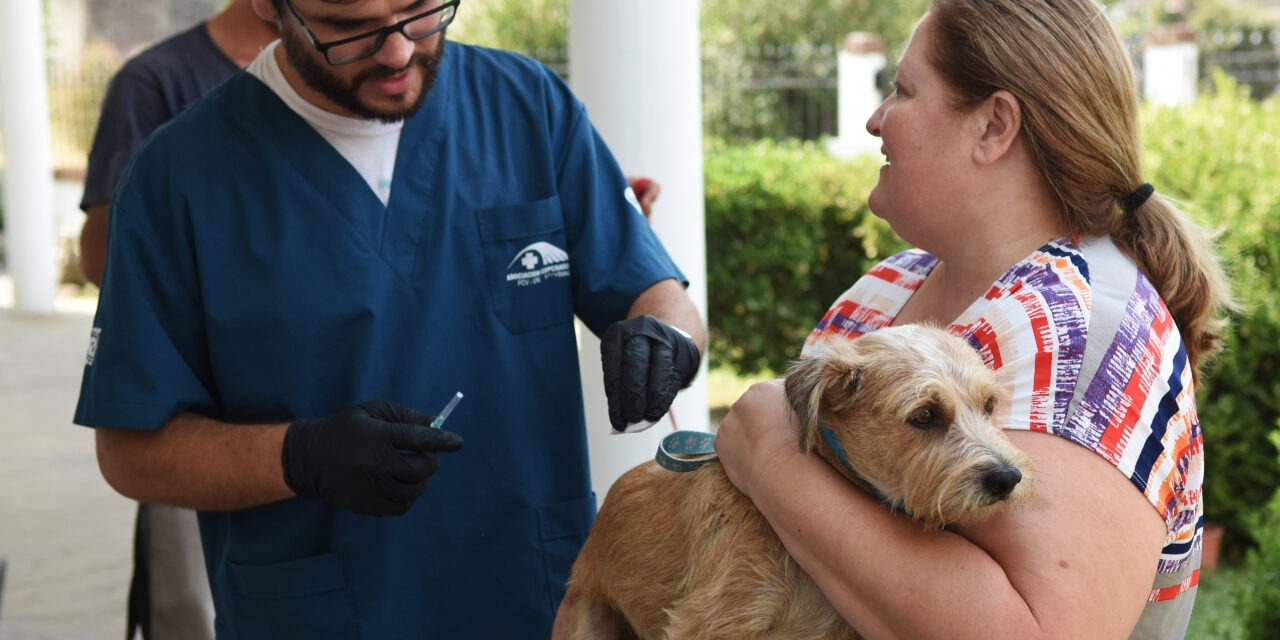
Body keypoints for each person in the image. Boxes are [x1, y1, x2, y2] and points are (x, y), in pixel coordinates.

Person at [73, 0, 705, 637]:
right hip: (322, 613)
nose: (398, 52)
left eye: (421, 11)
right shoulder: (176, 179)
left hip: (533, 597)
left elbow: (656, 292)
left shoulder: (528, 107)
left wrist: (668, 336)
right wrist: (298, 456)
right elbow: (131, 452)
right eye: (349, 29)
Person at [713, 1, 1231, 638]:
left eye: (903, 90)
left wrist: (771, 461)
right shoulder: (887, 288)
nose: (875, 119)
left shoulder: (1085, 330)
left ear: (993, 126)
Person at [76, 2, 276, 638]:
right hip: (197, 408)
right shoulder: (156, 82)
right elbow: (98, 255)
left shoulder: (366, 69)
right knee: (191, 603)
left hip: (316, 404)